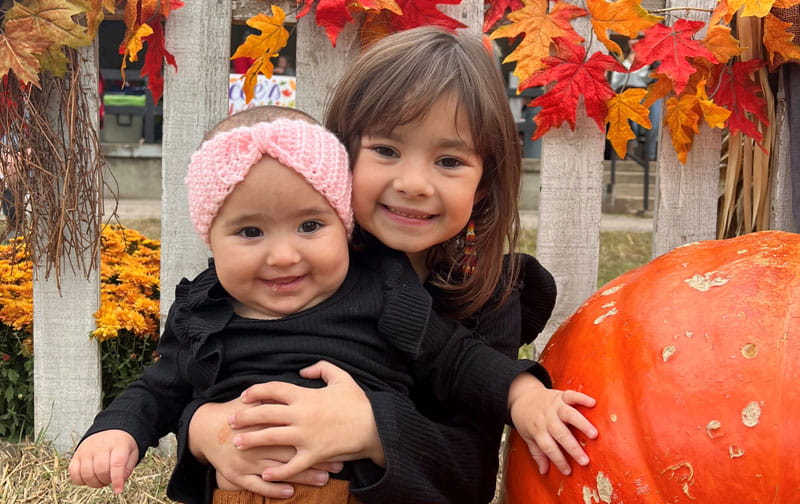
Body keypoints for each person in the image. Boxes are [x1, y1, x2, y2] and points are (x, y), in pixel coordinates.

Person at [68, 104, 597, 503]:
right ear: (212, 239)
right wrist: (116, 431)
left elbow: (458, 360)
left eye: (310, 226)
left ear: (344, 225)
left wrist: (522, 393)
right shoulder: (204, 311)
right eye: (250, 231)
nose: (282, 255)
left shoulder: (381, 292)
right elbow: (158, 388)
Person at [180, 27, 599, 504]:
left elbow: (471, 476)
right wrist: (203, 428)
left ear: (483, 185)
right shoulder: (295, 271)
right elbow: (187, 379)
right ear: (339, 158)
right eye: (386, 150)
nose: (414, 183)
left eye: (448, 160)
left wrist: (372, 429)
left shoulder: (491, 299)